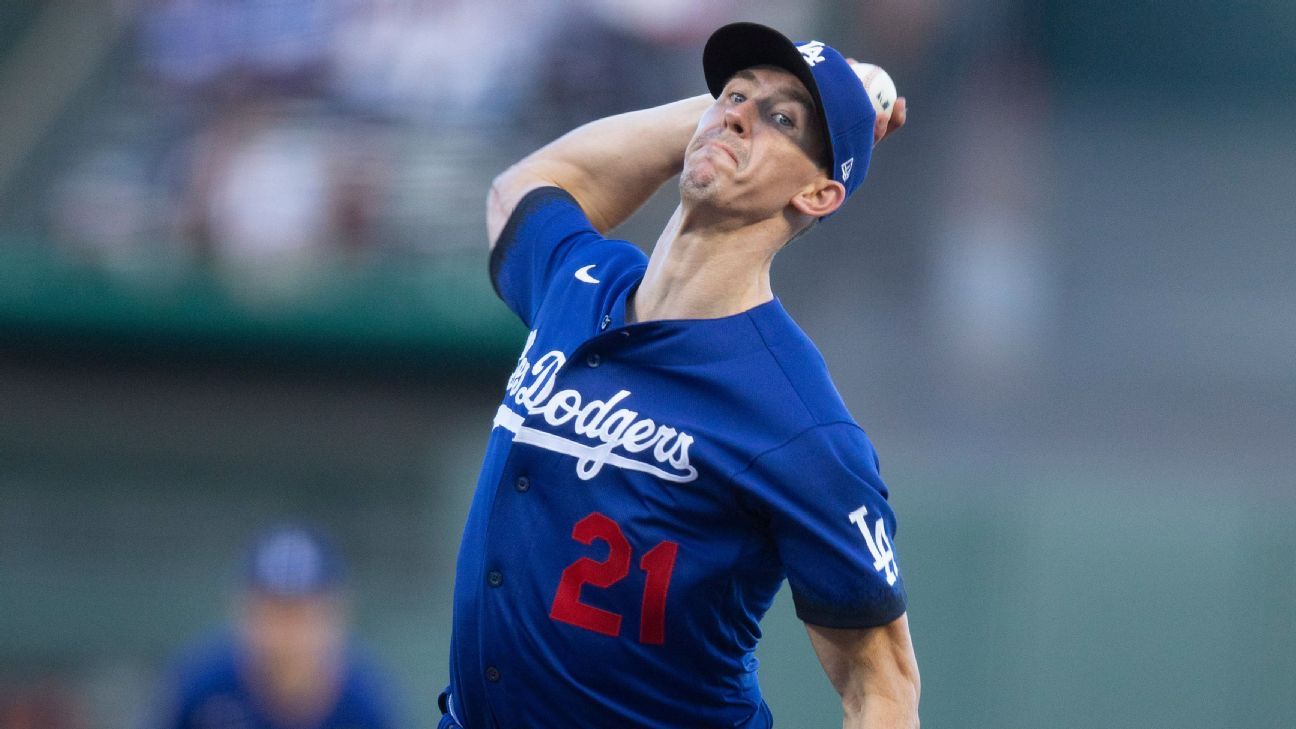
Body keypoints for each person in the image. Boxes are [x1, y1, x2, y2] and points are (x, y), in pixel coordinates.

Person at [442, 22, 919, 729]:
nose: (737, 113)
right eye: (731, 93)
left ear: (819, 195)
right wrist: (720, 122)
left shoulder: (799, 422)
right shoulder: (584, 282)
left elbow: (883, 689)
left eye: (781, 118)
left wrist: (757, 118)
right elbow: (526, 189)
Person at [154, 525, 397, 729]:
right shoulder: (203, 687)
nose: (287, 632)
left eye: (301, 613)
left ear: (335, 613)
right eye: (273, 610)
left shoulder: (365, 703)